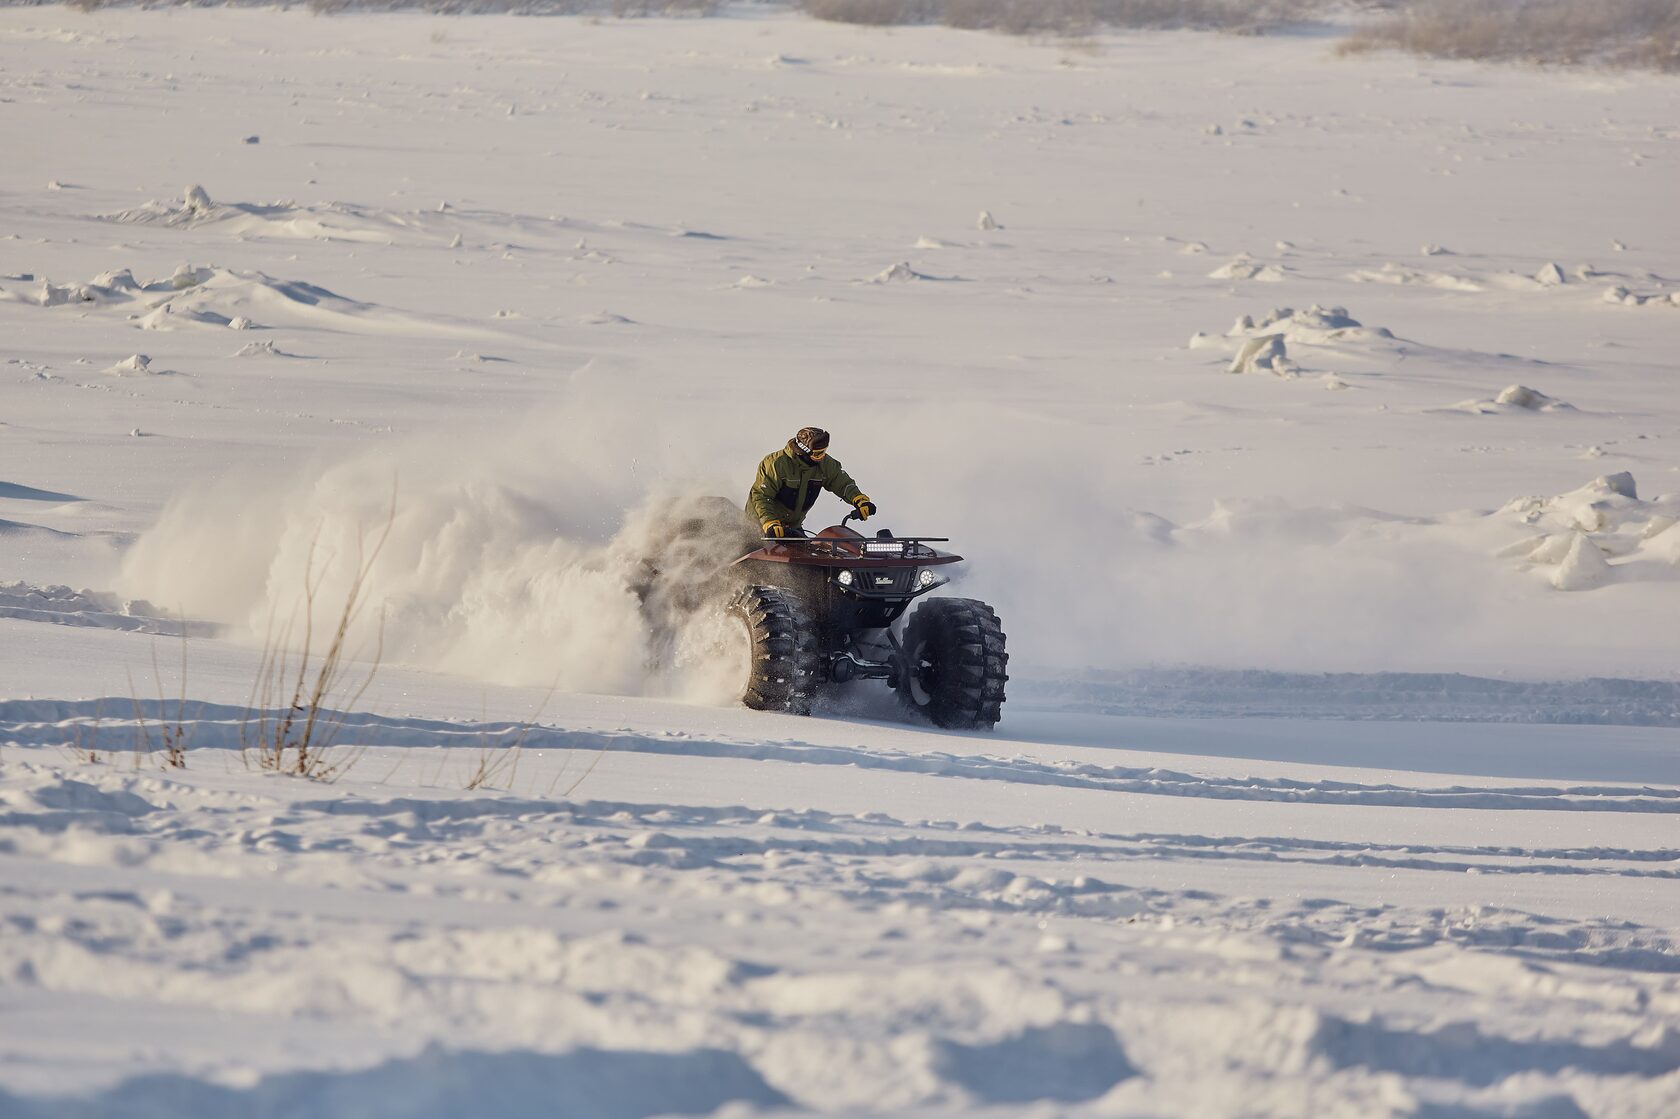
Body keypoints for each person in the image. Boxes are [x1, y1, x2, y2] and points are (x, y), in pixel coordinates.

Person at [747, 427, 876, 538]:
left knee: (807, 563)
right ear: (803, 451)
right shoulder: (776, 464)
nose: (822, 456)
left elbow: (841, 482)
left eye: (824, 451)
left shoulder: (825, 464)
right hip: (760, 527)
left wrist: (858, 499)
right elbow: (761, 496)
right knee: (762, 562)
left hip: (792, 529)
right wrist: (770, 522)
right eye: (818, 453)